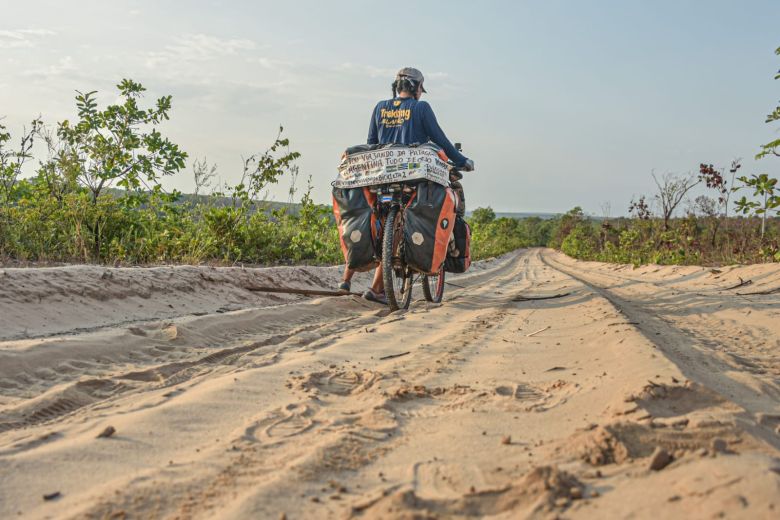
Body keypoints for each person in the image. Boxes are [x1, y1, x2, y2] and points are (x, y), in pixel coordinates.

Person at [339, 67, 473, 303]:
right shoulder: (421, 108)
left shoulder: (380, 107)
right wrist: (462, 160)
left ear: (397, 86)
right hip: (412, 180)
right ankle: (377, 288)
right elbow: (439, 139)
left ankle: (346, 279)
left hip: (379, 178)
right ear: (418, 88)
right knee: (405, 221)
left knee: (373, 217)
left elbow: (372, 143)